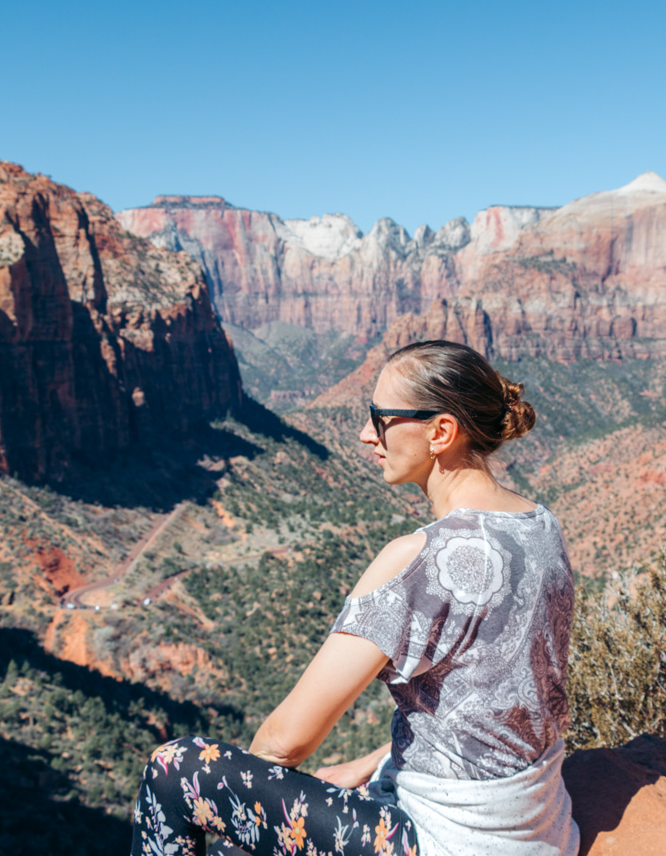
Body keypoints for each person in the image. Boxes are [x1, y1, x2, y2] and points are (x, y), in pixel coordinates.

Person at [130, 340, 580, 856]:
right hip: (538, 830)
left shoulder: (418, 558)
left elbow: (285, 743)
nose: (367, 435)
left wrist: (241, 816)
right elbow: (497, 707)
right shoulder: (541, 526)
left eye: (380, 418)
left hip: (443, 842)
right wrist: (377, 760)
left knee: (176, 770)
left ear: (441, 432)